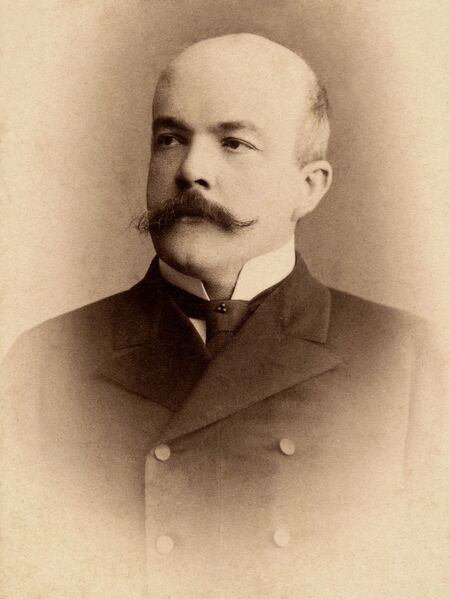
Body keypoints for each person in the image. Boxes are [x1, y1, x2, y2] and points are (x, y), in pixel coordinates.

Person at [1, 33, 447, 599]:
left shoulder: (406, 359)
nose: (190, 170)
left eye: (234, 143)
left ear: (309, 187)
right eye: (170, 138)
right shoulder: (45, 362)